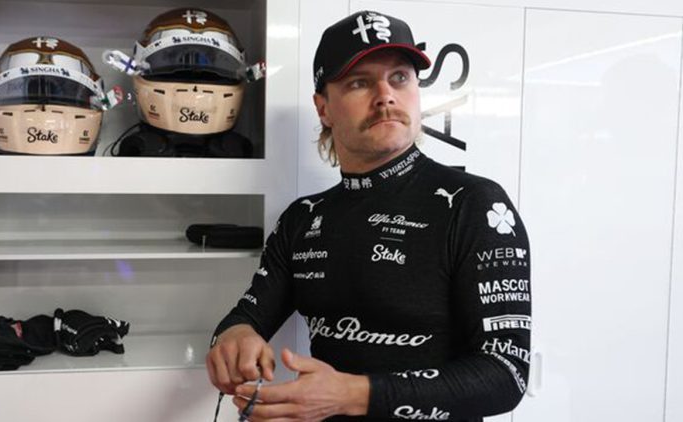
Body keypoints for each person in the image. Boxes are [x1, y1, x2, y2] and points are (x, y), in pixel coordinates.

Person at [206, 10, 531, 422]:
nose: (385, 95)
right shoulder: (303, 219)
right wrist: (234, 337)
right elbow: (248, 316)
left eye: (400, 77)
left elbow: (506, 374)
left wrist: (353, 395)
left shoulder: (475, 204)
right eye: (359, 82)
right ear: (323, 108)